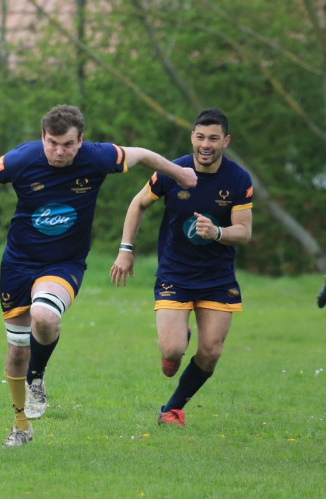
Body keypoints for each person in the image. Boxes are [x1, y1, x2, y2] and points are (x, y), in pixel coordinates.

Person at [0, 104, 197, 447]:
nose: (59, 151)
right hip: (18, 265)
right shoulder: (23, 159)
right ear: (43, 137)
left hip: (64, 264)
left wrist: (179, 173)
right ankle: (21, 426)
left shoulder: (97, 157)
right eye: (52, 143)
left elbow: (140, 155)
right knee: (17, 351)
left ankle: (37, 379)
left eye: (68, 144)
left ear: (81, 140)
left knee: (45, 315)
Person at [110, 108, 252, 427]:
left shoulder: (238, 179)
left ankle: (172, 408)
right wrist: (125, 249)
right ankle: (178, 337)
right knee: (172, 351)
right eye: (200, 137)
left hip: (217, 278)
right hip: (176, 273)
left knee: (211, 351)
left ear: (225, 141)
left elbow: (244, 232)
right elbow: (138, 204)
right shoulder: (172, 171)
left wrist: (218, 232)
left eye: (213, 138)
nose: (206, 144)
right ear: (192, 137)